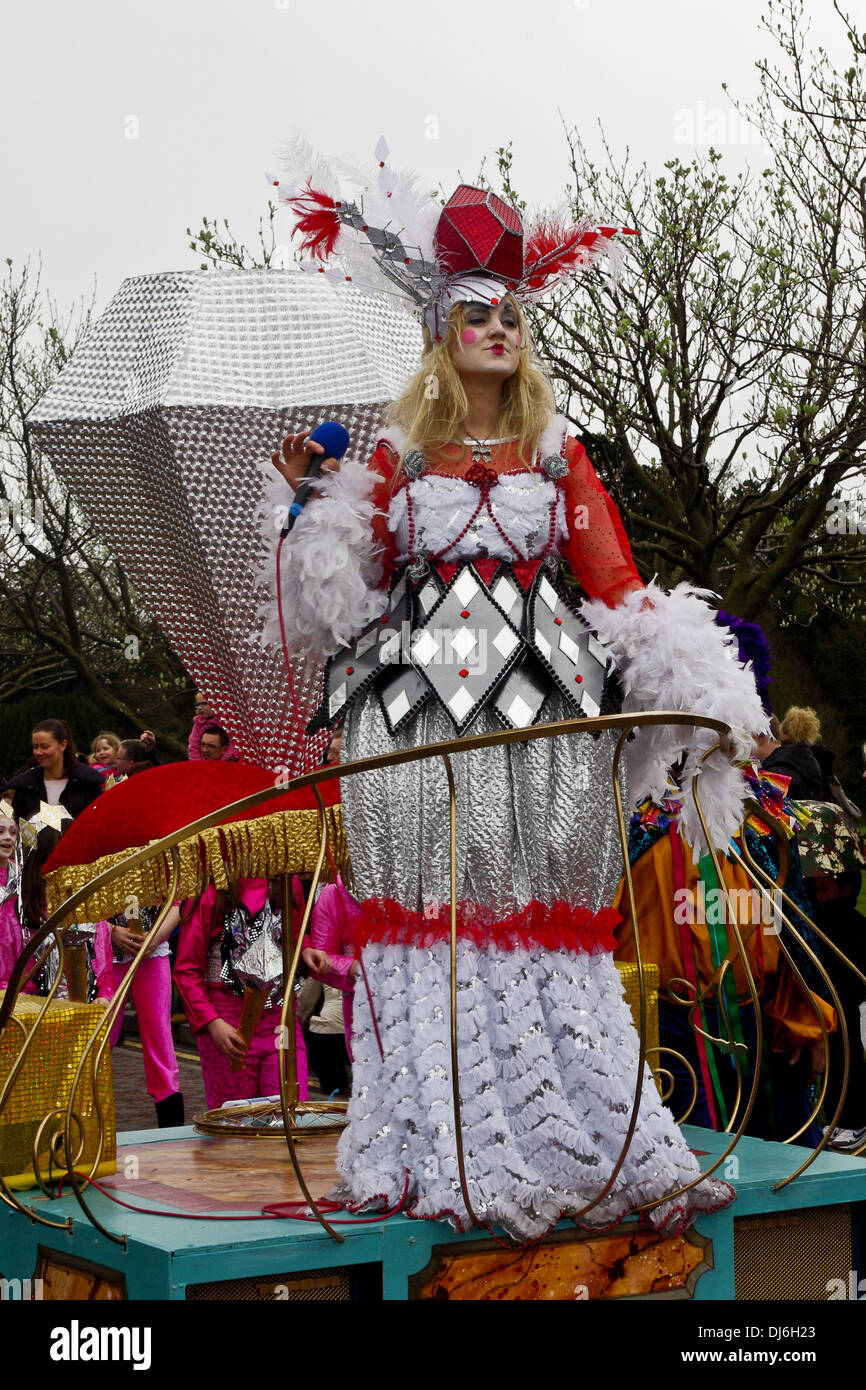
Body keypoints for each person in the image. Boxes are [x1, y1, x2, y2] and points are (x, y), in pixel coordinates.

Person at [263, 163, 769, 1239]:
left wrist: (703, 695)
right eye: (474, 313)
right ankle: (440, 1136)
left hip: (543, 715)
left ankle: (577, 1126)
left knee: (540, 912)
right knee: (431, 918)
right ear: (440, 333)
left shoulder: (555, 450)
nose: (496, 327)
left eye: (511, 315)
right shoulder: (394, 456)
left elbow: (618, 586)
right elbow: (337, 609)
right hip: (414, 720)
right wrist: (310, 503)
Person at [174, 876, 308, 1109]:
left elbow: (298, 938)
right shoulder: (210, 888)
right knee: (236, 1130)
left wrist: (310, 951)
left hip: (279, 1019)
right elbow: (186, 971)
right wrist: (213, 1023)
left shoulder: (289, 882)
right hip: (228, 1025)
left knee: (289, 1118)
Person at [108, 903, 185, 1128]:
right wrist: (110, 931)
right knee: (101, 1040)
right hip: (106, 953)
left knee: (160, 1039)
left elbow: (178, 900)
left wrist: (156, 936)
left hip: (152, 951)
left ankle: (171, 1134)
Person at [2, 719, 104, 822]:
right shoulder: (25, 787)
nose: (38, 752)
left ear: (63, 745)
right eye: (35, 747)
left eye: (44, 746)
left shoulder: (87, 783)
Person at [188, 693, 240, 763]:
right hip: (204, 764)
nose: (200, 708)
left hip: (227, 764)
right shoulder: (199, 723)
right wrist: (199, 765)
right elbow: (193, 747)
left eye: (205, 703)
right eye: (198, 704)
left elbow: (234, 746)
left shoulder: (229, 721)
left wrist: (222, 764)